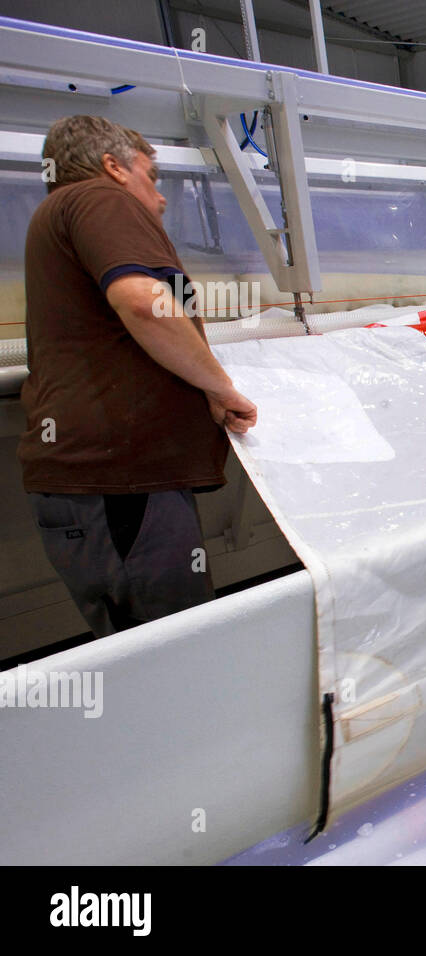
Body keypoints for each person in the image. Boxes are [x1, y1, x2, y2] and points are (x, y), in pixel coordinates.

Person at [18, 114, 258, 638]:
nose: (161, 196)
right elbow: (145, 304)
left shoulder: (54, 218)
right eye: (150, 176)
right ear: (113, 167)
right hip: (120, 484)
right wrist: (219, 387)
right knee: (175, 647)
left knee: (133, 649)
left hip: (95, 488)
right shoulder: (101, 198)